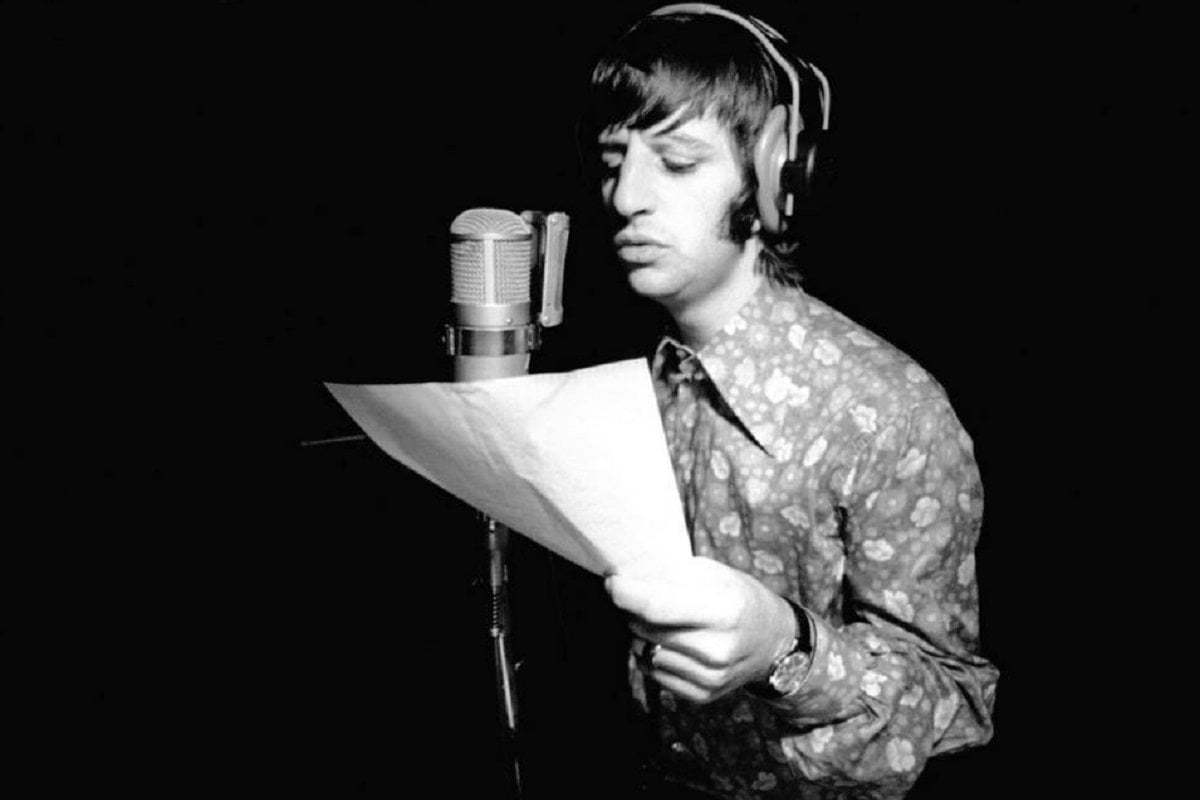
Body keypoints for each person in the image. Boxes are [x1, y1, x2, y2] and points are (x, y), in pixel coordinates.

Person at [580, 5, 999, 798]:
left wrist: (786, 647)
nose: (626, 195)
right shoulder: (644, 378)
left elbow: (955, 706)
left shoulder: (889, 411)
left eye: (676, 162)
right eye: (613, 161)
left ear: (776, 176)